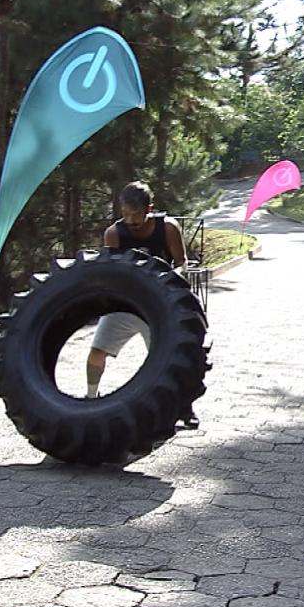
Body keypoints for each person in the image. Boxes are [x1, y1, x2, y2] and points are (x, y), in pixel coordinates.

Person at [85, 182, 197, 427]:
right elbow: (111, 272)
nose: (131, 220)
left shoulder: (167, 228)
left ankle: (185, 407)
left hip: (161, 306)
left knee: (176, 359)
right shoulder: (113, 234)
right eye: (125, 214)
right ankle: (90, 397)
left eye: (136, 214)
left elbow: (182, 262)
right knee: (96, 352)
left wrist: (170, 278)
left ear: (149, 209)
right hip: (125, 305)